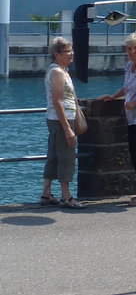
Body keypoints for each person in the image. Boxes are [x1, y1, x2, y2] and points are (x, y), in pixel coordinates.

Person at [100, 32, 136, 206]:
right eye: (129, 48)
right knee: (135, 153)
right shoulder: (130, 66)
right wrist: (113, 97)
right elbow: (128, 88)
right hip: (133, 117)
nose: (133, 51)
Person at [41, 37, 85, 208]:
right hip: (62, 120)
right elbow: (57, 101)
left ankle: (46, 193)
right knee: (67, 156)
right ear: (57, 54)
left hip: (55, 119)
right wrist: (68, 129)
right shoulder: (58, 72)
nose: (72, 53)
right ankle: (66, 196)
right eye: (68, 51)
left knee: (53, 155)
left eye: (71, 50)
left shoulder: (58, 70)